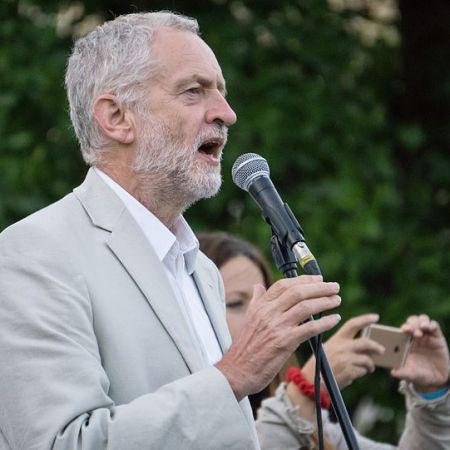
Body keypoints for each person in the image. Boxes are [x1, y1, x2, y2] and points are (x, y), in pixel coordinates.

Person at [0, 12, 344, 450]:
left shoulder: (202, 269)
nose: (226, 114)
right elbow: (63, 443)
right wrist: (234, 375)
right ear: (117, 117)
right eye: (194, 91)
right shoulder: (34, 253)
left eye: (221, 92)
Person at [198, 231, 450, 450]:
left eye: (266, 303)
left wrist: (432, 396)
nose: (260, 316)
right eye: (235, 303)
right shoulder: (184, 413)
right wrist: (305, 391)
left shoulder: (311, 424)